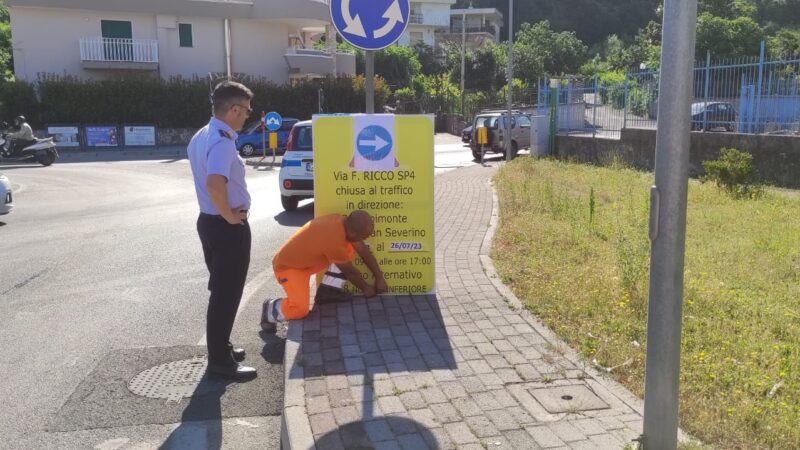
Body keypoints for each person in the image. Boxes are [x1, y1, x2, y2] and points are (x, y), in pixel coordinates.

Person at [188, 81, 256, 381]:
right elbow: (215, 183)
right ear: (234, 109)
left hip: (210, 223)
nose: (247, 117)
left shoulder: (202, 135)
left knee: (222, 291)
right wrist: (230, 216)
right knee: (226, 295)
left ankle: (221, 346)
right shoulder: (222, 141)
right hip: (226, 227)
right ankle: (219, 361)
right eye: (246, 112)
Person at [262, 211, 388, 328]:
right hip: (289, 267)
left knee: (348, 248)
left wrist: (379, 277)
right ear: (354, 232)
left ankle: (328, 292)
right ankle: (270, 309)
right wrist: (366, 289)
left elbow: (363, 251)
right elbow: (350, 273)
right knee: (300, 309)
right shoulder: (334, 239)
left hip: (305, 264)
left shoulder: (342, 223)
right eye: (363, 236)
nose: (364, 240)